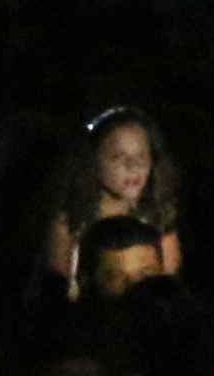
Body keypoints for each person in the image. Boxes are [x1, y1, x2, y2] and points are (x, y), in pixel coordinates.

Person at [33, 106, 184, 299]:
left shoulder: (158, 218)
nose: (133, 166)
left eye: (141, 156)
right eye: (118, 157)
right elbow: (57, 288)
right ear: (93, 161)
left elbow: (168, 289)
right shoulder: (72, 220)